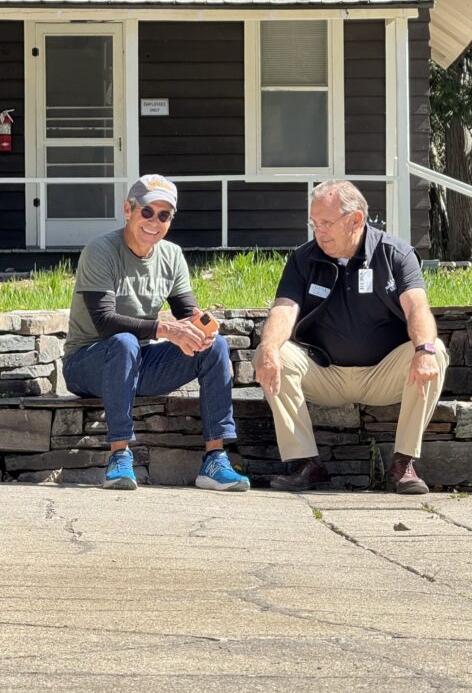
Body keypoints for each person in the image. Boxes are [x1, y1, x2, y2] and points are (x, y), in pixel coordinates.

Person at [254, 180, 448, 494]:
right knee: (272, 353)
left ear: (356, 219)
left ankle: (403, 464)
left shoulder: (395, 254)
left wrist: (423, 349)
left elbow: (417, 309)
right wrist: (269, 347)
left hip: (383, 375)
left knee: (433, 351)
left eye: (327, 223)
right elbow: (284, 309)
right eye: (314, 223)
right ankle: (305, 463)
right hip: (325, 374)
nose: (319, 231)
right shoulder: (303, 259)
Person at [62, 174, 249, 493]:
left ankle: (215, 460)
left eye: (164, 215)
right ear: (128, 209)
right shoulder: (101, 250)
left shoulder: (172, 256)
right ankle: (119, 457)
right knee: (122, 341)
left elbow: (185, 311)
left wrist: (200, 324)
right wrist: (165, 329)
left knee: (213, 345)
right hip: (87, 363)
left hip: (137, 363)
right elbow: (105, 322)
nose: (154, 221)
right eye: (147, 212)